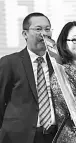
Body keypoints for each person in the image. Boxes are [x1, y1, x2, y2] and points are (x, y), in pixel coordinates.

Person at [0, 12, 58, 143]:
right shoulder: (9, 62)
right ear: (25, 34)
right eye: (38, 29)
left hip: (55, 136)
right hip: (19, 137)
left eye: (47, 29)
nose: (44, 33)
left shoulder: (58, 63)